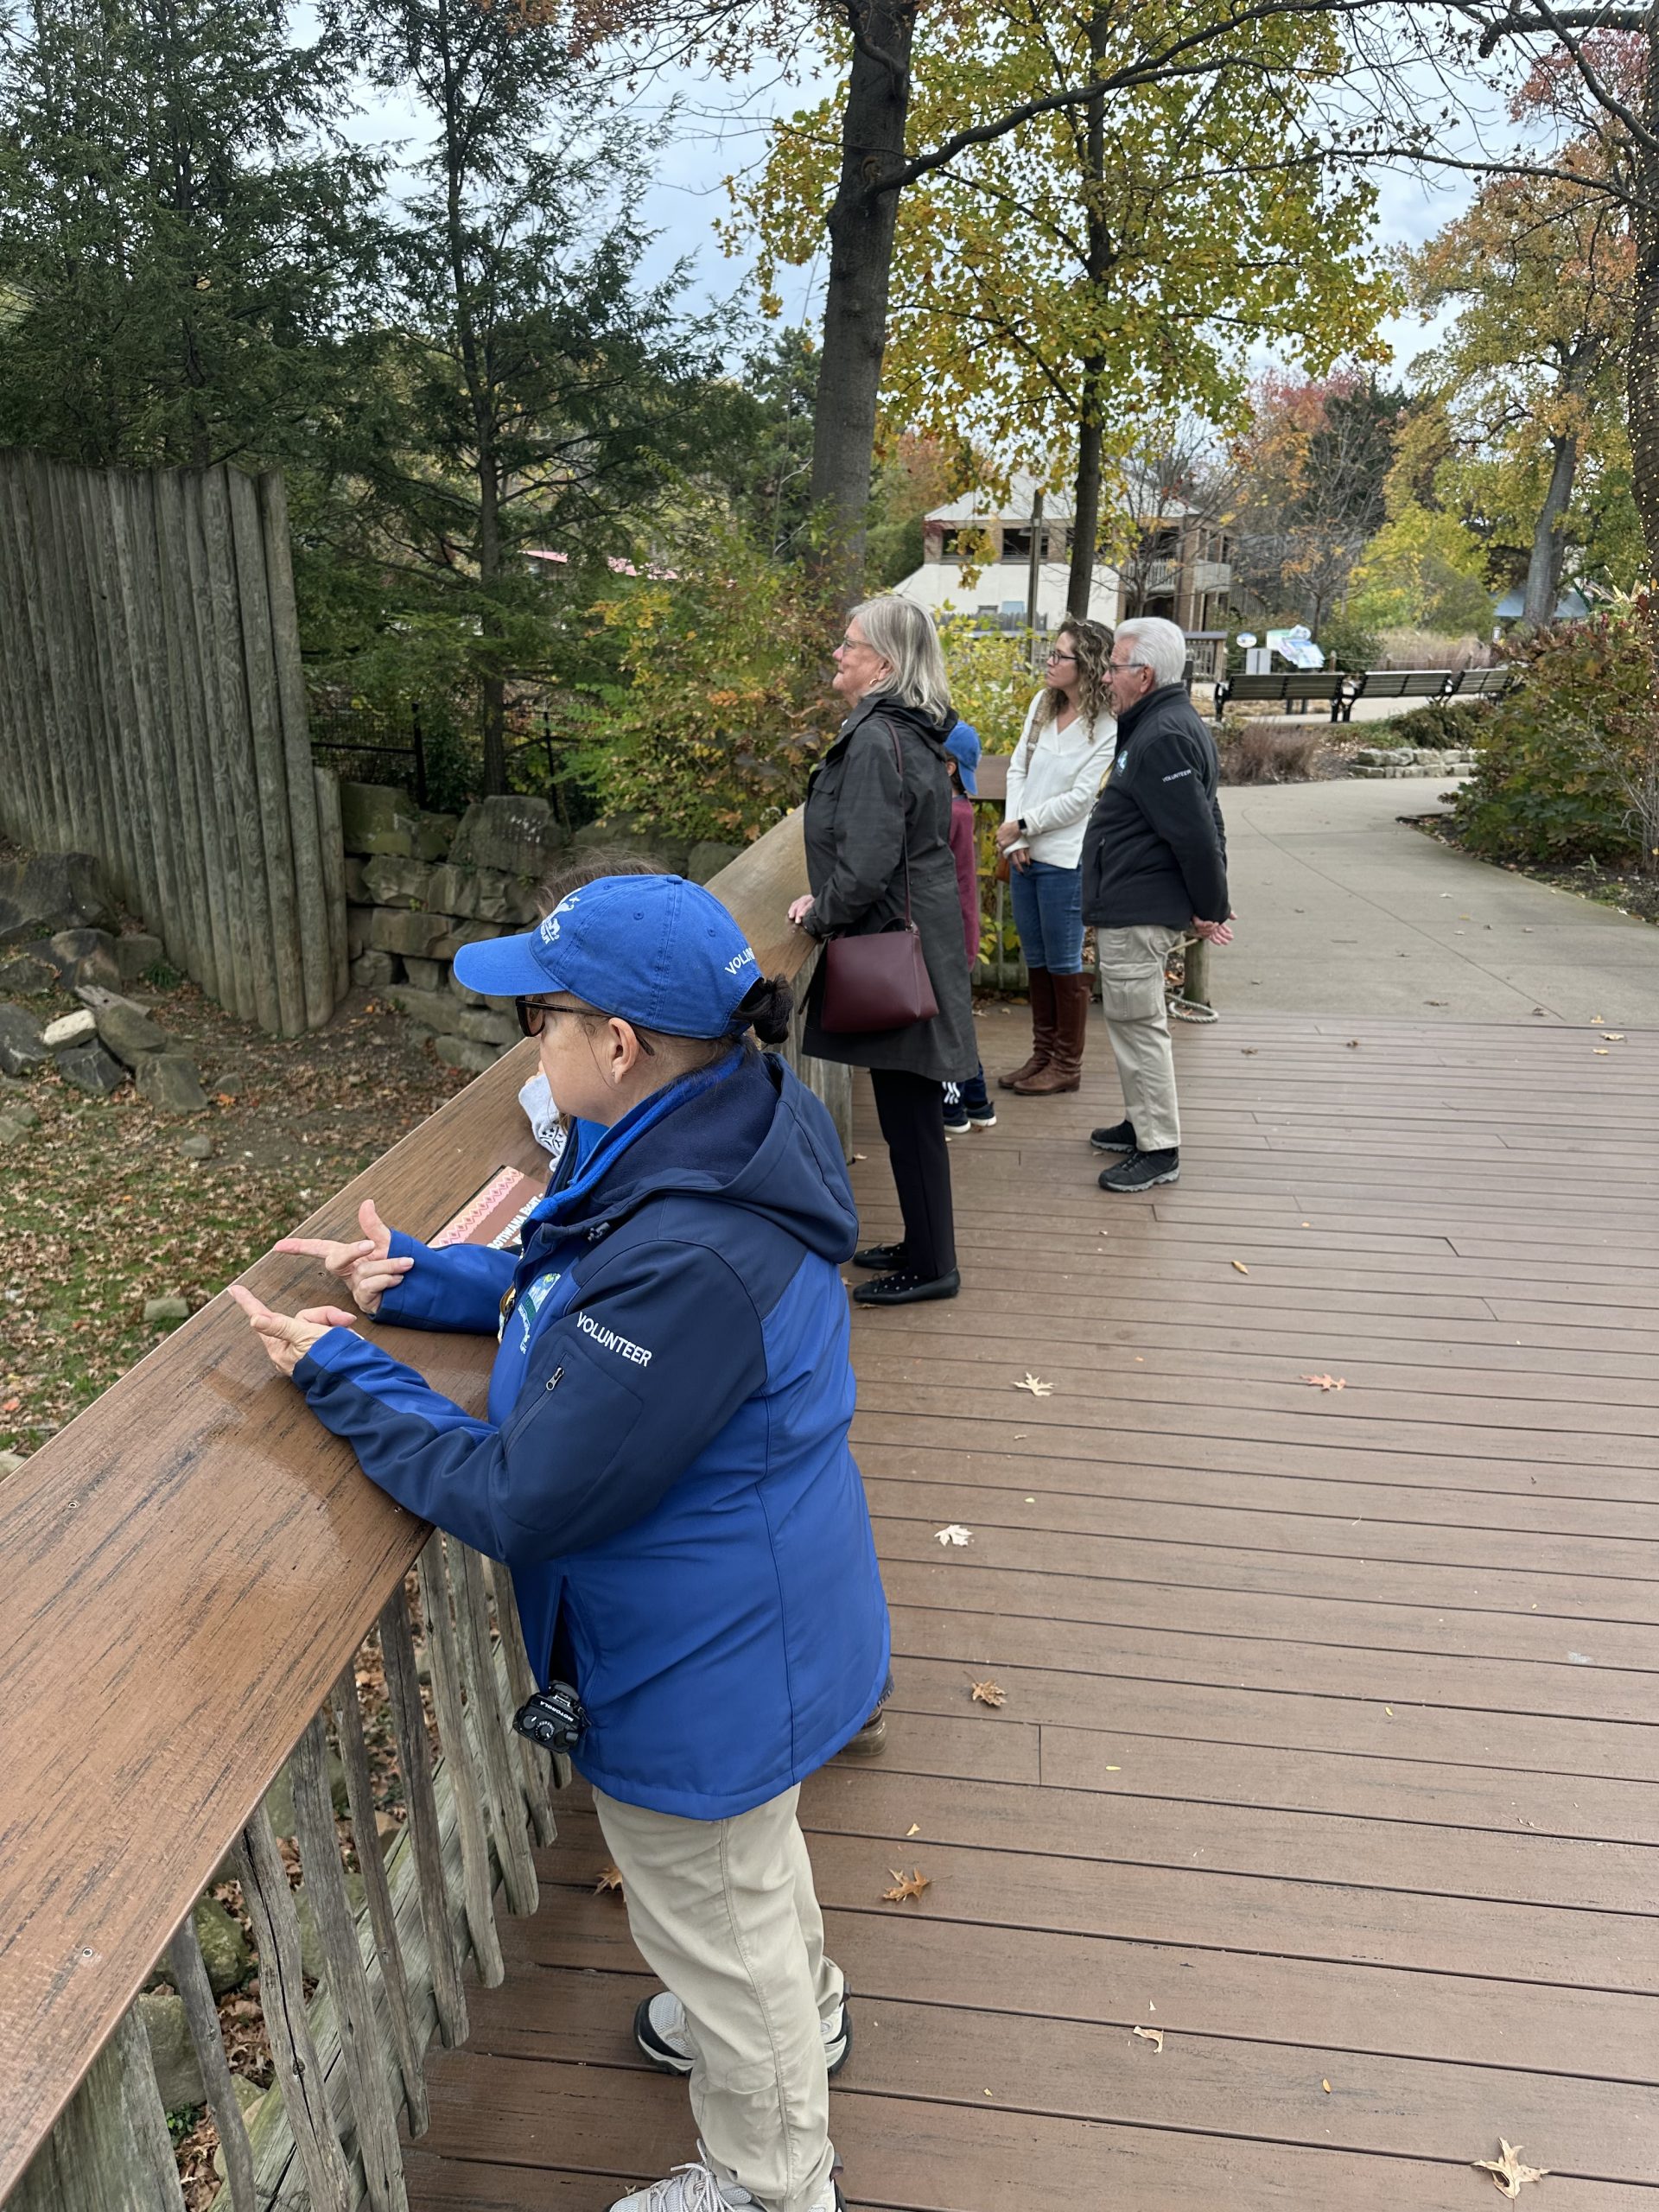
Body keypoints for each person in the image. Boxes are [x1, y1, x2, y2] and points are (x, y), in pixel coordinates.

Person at [231, 874, 889, 2212]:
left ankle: (773, 2182)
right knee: (743, 1877)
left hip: (700, 1650)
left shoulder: (695, 1242)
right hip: (747, 1609)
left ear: (621, 1043)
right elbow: (582, 1293)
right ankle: (796, 2018)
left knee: (713, 1909)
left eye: (542, 1011)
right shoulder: (703, 1130)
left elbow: (528, 1493)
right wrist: (434, 1279)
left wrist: (352, 1378)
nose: (530, 1036)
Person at [788, 594, 977, 1308]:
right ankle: (925, 1244)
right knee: (908, 1112)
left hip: (899, 943)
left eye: (850, 644)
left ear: (884, 665)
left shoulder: (876, 739)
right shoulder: (904, 730)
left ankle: (934, 1266)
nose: (838, 654)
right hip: (916, 934)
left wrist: (819, 912)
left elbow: (866, 863)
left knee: (911, 1114)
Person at [1080, 616, 1232, 1194]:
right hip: (1137, 898)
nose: (1106, 677)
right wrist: (1213, 897)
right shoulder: (1163, 722)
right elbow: (1206, 816)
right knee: (1128, 1020)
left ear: (1144, 675)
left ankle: (1159, 1148)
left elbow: (1195, 832)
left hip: (1140, 904)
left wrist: (1211, 904)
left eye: (1114, 667)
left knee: (1140, 1024)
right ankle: (1141, 1121)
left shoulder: (1162, 733)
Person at [994, 620, 1116, 1096]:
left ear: (1085, 665)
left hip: (1066, 857)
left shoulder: (1108, 726)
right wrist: (1017, 839)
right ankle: (1042, 1054)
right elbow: (1017, 771)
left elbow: (1083, 798)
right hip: (1026, 854)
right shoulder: (1041, 707)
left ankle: (1067, 1063)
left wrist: (1023, 826)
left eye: (1060, 655)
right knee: (1038, 958)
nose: (1050, 660)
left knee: (1065, 961)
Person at [941, 720, 995, 1137]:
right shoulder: (963, 809)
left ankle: (952, 1106)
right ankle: (978, 1101)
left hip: (950, 935)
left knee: (944, 1025)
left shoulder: (947, 813)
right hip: (963, 932)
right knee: (958, 1018)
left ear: (948, 768)